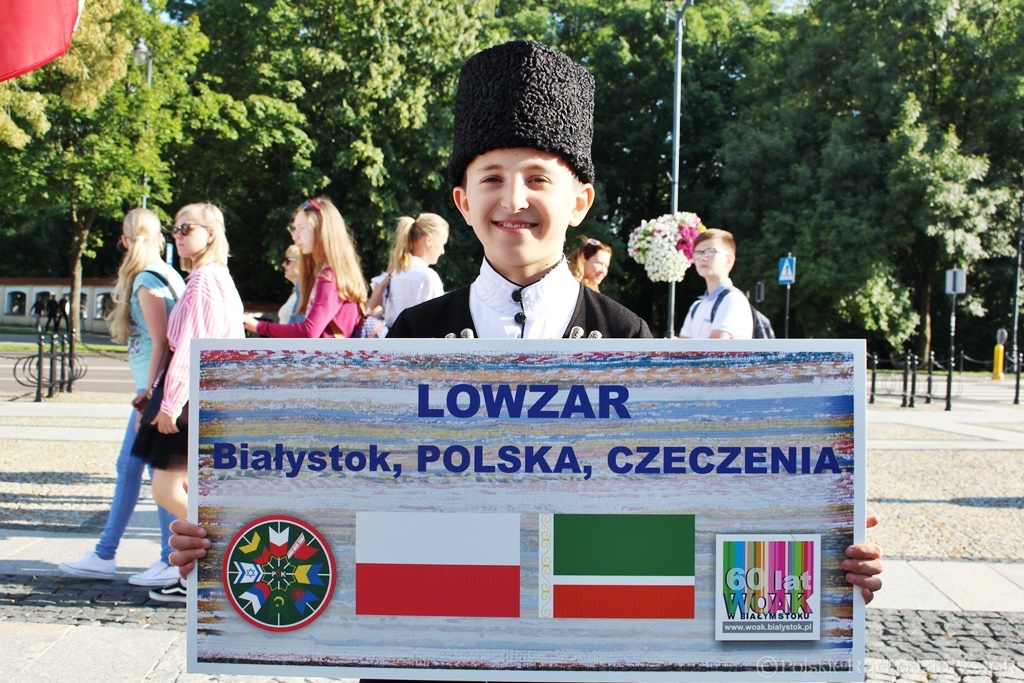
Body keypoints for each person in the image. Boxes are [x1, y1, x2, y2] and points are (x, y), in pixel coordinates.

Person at [169, 38, 881, 619]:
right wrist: (227, 537)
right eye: (492, 177)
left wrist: (828, 550)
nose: (514, 199)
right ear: (462, 200)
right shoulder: (412, 334)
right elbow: (346, 479)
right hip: (434, 635)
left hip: (581, 646)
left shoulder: (631, 340)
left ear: (580, 200)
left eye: (539, 178)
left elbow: (691, 500)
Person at [58, 208, 184, 587]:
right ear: (159, 237)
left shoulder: (147, 279)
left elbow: (161, 341)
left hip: (154, 390)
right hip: (158, 389)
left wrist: (148, 396)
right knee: (135, 469)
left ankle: (158, 558)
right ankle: (110, 553)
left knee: (152, 472)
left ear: (125, 240)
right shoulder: (167, 274)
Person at [135, 202, 244, 603]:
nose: (177, 236)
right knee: (186, 488)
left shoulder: (203, 281)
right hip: (201, 395)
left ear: (210, 233)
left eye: (186, 228)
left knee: (166, 489)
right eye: (175, 229)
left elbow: (192, 348)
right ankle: (200, 571)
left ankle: (222, 553)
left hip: (190, 399)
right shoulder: (215, 277)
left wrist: (170, 403)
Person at [242, 198, 366, 339]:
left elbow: (309, 331)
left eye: (301, 228)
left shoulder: (329, 277)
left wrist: (260, 326)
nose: (294, 236)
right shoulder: (335, 273)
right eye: (294, 229)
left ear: (322, 230)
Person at [365, 213, 449, 335]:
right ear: (429, 240)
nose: (442, 251)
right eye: (442, 244)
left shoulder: (389, 276)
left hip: (392, 343)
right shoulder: (428, 277)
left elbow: (371, 315)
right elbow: (440, 322)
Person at [679, 228, 754, 339]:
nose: (703, 258)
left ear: (729, 260)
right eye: (698, 253)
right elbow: (680, 347)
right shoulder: (696, 306)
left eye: (710, 252)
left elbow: (715, 347)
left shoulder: (733, 299)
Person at [277, 244, 305, 324]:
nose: (283, 264)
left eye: (288, 260)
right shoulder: (297, 292)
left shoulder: (307, 294)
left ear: (301, 262)